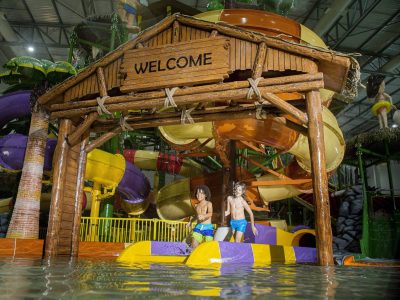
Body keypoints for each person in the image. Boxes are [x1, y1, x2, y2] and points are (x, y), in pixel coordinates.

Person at [186, 185, 214, 250]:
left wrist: (204, 216)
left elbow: (210, 213)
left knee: (208, 248)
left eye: (201, 193)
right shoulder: (196, 206)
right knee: (193, 247)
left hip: (208, 228)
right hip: (198, 227)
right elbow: (196, 216)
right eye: (197, 193)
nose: (198, 195)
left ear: (205, 195)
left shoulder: (208, 203)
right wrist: (190, 222)